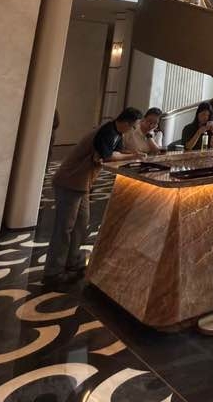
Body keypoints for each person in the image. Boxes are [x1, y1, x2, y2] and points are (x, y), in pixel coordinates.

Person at [43, 107, 142, 286]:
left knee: (81, 223)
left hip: (82, 184)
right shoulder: (107, 131)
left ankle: (73, 261)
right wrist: (133, 156)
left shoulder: (116, 133)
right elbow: (108, 156)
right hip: (70, 181)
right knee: (64, 227)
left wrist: (132, 154)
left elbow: (118, 152)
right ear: (127, 123)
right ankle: (54, 271)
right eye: (134, 126)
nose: (133, 130)